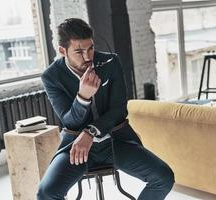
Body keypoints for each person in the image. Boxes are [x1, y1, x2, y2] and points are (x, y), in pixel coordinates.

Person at [38, 18, 174, 200]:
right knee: (46, 193)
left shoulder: (111, 62)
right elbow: (69, 121)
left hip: (116, 141)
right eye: (79, 51)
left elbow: (119, 110)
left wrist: (91, 131)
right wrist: (82, 97)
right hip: (76, 148)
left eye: (91, 48)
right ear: (63, 51)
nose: (88, 57)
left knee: (164, 177)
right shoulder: (51, 76)